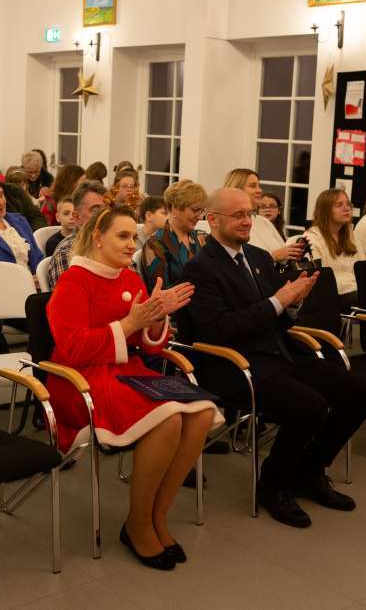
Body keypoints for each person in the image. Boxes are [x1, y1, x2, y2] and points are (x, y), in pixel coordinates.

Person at [180, 187, 366, 528]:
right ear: (212, 220)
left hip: (279, 353)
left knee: (359, 393)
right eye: (238, 215)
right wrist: (278, 302)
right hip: (234, 364)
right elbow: (220, 330)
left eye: (249, 213)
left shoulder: (258, 257)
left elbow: (281, 318)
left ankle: (309, 471)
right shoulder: (199, 269)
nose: (247, 221)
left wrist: (295, 303)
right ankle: (273, 485)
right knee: (310, 406)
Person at [47, 205, 218, 568]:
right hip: (80, 381)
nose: (131, 245)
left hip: (125, 371)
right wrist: (129, 324)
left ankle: (158, 515)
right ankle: (138, 523)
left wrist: (156, 319)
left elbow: (149, 347)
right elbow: (72, 348)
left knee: (201, 413)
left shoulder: (129, 279)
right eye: (122, 236)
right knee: (168, 420)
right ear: (98, 238)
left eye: (133, 237)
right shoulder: (73, 281)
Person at [223, 169, 304, 263]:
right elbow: (233, 261)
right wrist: (273, 256)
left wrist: (294, 253)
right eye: (253, 186)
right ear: (237, 189)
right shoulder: (226, 223)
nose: (260, 190)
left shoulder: (263, 221)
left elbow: (284, 256)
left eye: (259, 186)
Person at [303, 189, 364, 309]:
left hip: (355, 290)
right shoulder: (311, 238)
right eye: (339, 205)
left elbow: (361, 268)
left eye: (348, 204)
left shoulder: (350, 235)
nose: (346, 208)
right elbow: (321, 279)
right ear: (325, 211)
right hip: (332, 296)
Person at [142, 180, 208, 291]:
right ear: (175, 208)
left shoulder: (202, 237)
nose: (200, 217)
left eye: (201, 211)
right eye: (195, 210)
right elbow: (161, 291)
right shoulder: (155, 244)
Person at [47, 180, 107, 290]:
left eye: (106, 210)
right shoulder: (66, 252)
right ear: (76, 217)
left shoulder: (114, 244)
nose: (103, 216)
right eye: (95, 210)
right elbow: (68, 297)